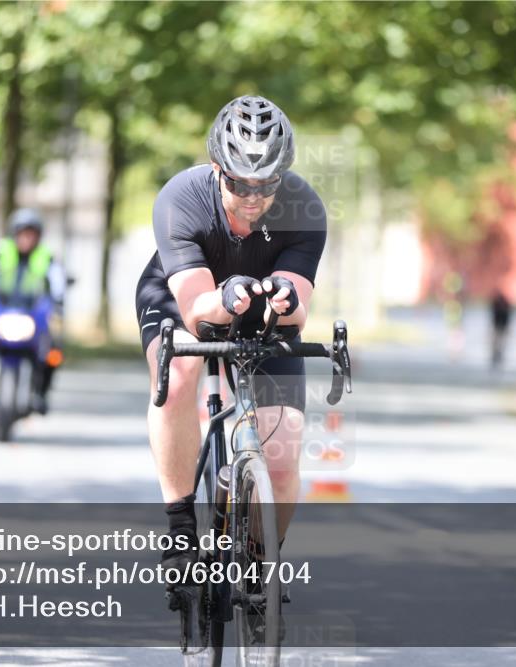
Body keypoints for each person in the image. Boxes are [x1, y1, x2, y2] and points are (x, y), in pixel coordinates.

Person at [135, 95, 326, 592]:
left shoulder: (304, 208)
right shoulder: (182, 198)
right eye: (239, 182)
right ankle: (180, 529)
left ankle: (260, 566)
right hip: (185, 295)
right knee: (176, 379)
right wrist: (225, 295)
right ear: (218, 168)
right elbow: (198, 310)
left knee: (282, 456)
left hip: (260, 307)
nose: (253, 197)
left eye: (266, 185)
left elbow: (299, 306)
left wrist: (285, 299)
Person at [0, 208, 67, 414]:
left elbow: (57, 279)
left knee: (53, 351)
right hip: (1, 311)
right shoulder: (1, 252)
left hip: (31, 314)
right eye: (23, 233)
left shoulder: (45, 257)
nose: (27, 238)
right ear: (14, 234)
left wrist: (59, 300)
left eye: (31, 234)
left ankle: (42, 393)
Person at [490, 288, 512, 369]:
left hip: (501, 325)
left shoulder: (504, 303)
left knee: (500, 341)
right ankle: (496, 355)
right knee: (496, 341)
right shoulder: (496, 303)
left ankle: (499, 355)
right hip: (498, 325)